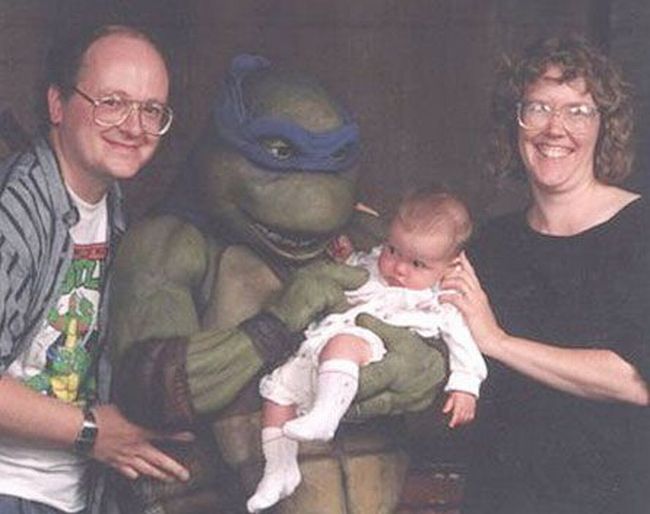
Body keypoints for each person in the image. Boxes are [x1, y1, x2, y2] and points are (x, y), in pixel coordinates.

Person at [109, 54, 447, 514]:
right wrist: (278, 322)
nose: (312, 208)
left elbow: (450, 345)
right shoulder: (173, 246)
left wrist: (426, 365)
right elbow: (148, 394)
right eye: (281, 156)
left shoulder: (375, 241)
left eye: (333, 161)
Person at [440, 36, 650, 514]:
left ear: (604, 127)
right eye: (537, 108)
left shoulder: (643, 230)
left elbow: (637, 382)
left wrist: (498, 341)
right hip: (499, 498)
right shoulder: (490, 245)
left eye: (578, 111)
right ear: (514, 123)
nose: (555, 128)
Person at [0, 25, 193, 514]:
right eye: (112, 102)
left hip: (74, 495)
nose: (134, 127)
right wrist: (91, 431)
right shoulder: (13, 210)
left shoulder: (113, 206)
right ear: (58, 105)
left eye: (151, 110)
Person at [247, 187, 487, 512]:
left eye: (417, 263)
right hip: (320, 351)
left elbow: (463, 342)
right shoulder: (375, 264)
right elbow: (355, 271)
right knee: (279, 389)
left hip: (374, 351)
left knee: (343, 343)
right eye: (393, 250)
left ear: (450, 266)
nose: (398, 268)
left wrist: (465, 387)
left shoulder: (441, 300)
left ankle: (325, 417)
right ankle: (279, 470)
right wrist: (345, 256)